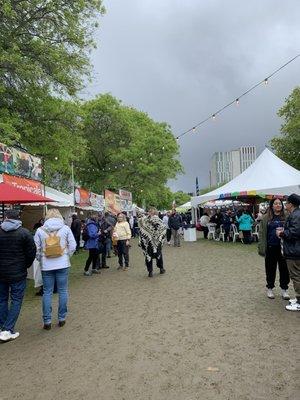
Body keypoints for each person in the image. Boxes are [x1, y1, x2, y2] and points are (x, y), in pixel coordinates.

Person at [34, 209, 76, 330]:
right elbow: (73, 245)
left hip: (46, 265)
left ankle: (47, 320)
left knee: (47, 292)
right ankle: (62, 318)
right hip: (62, 264)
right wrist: (67, 256)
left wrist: (41, 259)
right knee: (63, 291)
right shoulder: (65, 229)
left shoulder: (40, 230)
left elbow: (35, 248)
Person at [0, 210, 36, 342]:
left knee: (2, 299)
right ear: (18, 219)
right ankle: (7, 329)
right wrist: (25, 265)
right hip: (18, 272)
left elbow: (31, 252)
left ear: (5, 218)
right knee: (16, 299)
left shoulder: (22, 233)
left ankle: (4, 327)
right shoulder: (24, 233)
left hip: (2, 272)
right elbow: (32, 252)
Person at [258, 198, 290, 300]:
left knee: (284, 269)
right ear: (272, 205)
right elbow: (262, 233)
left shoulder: (287, 216)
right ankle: (270, 288)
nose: (278, 205)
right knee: (270, 268)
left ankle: (284, 289)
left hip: (283, 247)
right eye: (275, 203)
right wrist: (262, 247)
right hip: (271, 247)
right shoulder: (266, 217)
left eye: (279, 203)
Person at [277, 194, 300, 311]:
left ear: (291, 204)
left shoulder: (296, 215)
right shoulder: (296, 214)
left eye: (286, 202)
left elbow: (295, 232)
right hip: (294, 250)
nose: (285, 204)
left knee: (296, 276)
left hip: (294, 251)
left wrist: (282, 233)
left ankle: (299, 301)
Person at [139, 208, 167, 277]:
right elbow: (163, 229)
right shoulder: (159, 221)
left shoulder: (144, 220)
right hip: (157, 242)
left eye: (149, 212)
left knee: (148, 255)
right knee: (158, 255)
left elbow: (141, 227)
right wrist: (160, 238)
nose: (149, 213)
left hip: (148, 242)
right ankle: (161, 268)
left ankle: (150, 271)